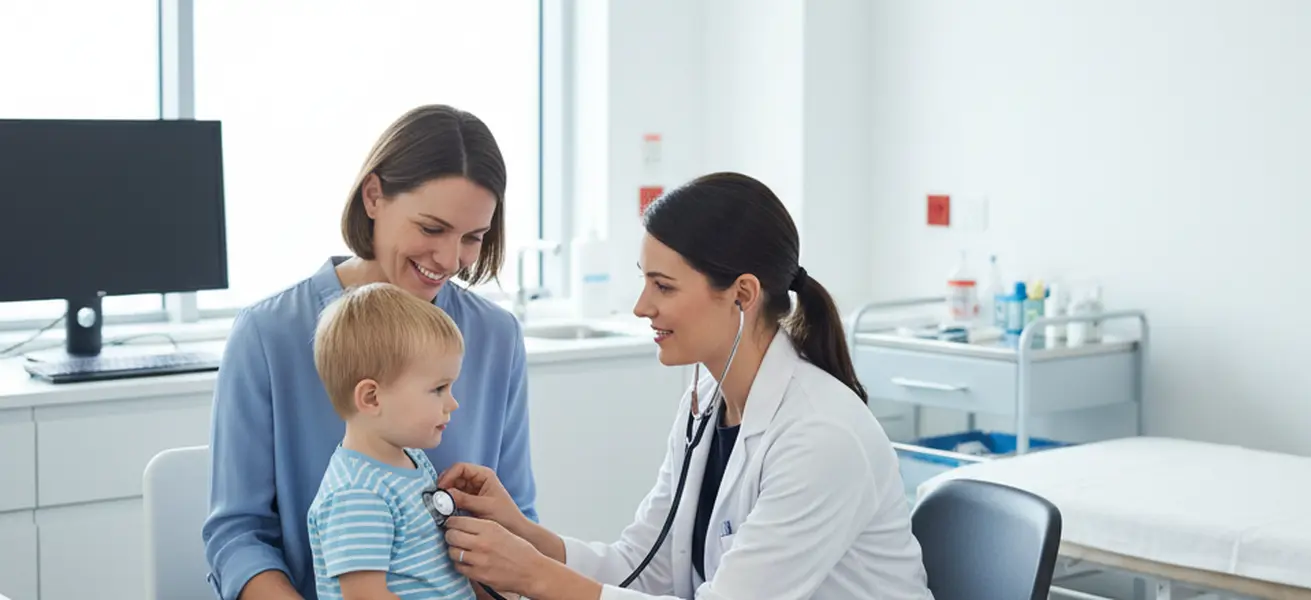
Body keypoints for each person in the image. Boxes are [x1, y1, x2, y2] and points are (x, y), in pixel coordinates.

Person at [434, 172, 935, 599]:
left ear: (742, 295)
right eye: (644, 281)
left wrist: (535, 576)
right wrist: (520, 533)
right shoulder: (705, 408)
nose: (641, 306)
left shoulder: (822, 436)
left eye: (663, 286)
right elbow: (646, 566)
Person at [202, 104, 538, 600]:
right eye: (431, 228)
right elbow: (239, 536)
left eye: (473, 238)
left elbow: (516, 523)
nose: (449, 260)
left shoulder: (495, 337)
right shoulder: (269, 334)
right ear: (374, 196)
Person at [305, 282, 479, 599]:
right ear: (372, 398)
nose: (452, 403)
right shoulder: (357, 494)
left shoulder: (408, 458)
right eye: (438, 388)